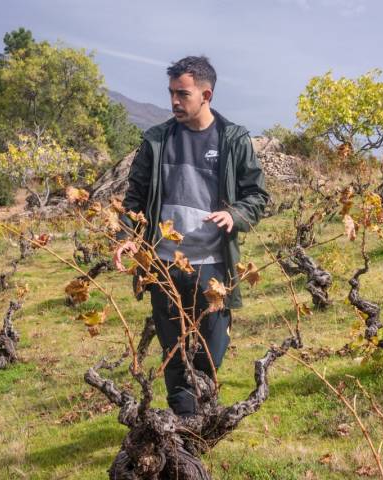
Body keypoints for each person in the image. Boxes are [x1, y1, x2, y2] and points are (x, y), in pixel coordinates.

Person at [113, 56, 269, 416]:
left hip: (213, 268)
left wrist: (235, 214)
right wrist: (131, 236)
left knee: (209, 355)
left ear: (206, 94)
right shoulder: (156, 140)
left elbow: (257, 196)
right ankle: (184, 431)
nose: (174, 101)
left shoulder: (233, 140)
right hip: (164, 266)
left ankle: (200, 414)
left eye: (182, 94)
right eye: (171, 93)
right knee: (174, 356)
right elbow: (135, 198)